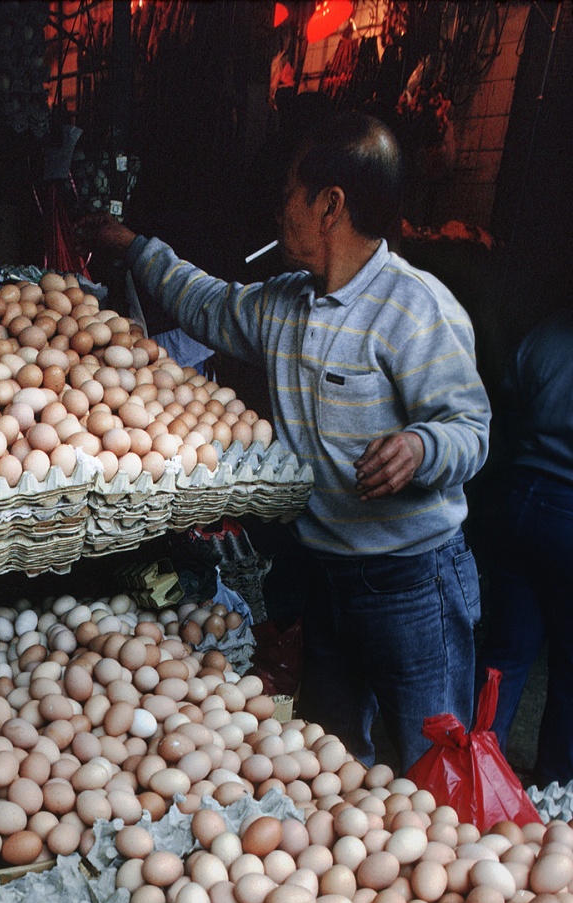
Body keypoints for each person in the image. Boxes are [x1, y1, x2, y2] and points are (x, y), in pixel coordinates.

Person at [78, 113, 491, 771]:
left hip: (414, 581)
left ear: (330, 206)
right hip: (328, 575)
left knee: (434, 760)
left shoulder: (415, 309)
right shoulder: (284, 305)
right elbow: (206, 302)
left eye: (289, 193)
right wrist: (132, 245)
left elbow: (469, 431)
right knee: (326, 764)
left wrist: (420, 447)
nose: (277, 211)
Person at [476, 310, 573, 785]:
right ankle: (558, 793)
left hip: (517, 499)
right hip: (568, 510)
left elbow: (504, 405)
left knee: (507, 654)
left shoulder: (544, 335)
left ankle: (477, 775)